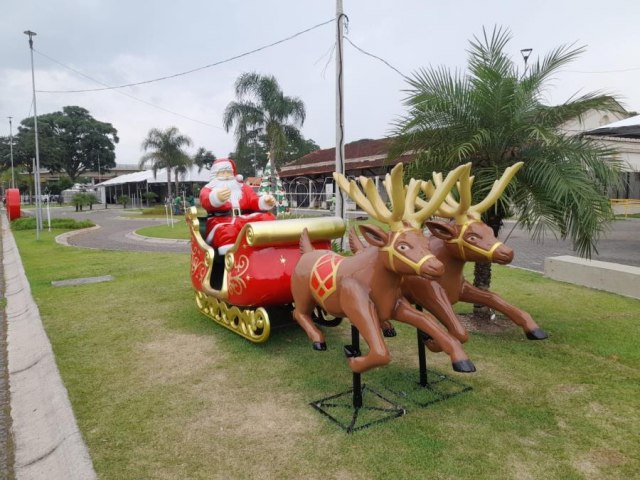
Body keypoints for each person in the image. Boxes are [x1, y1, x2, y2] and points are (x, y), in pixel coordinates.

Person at [200, 158, 276, 254]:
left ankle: (267, 251)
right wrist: (216, 198)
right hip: (221, 221)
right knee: (227, 232)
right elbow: (205, 200)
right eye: (222, 173)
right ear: (215, 175)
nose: (226, 175)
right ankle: (230, 259)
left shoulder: (243, 187)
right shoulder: (209, 189)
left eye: (229, 172)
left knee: (267, 218)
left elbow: (254, 200)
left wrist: (265, 201)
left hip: (243, 219)